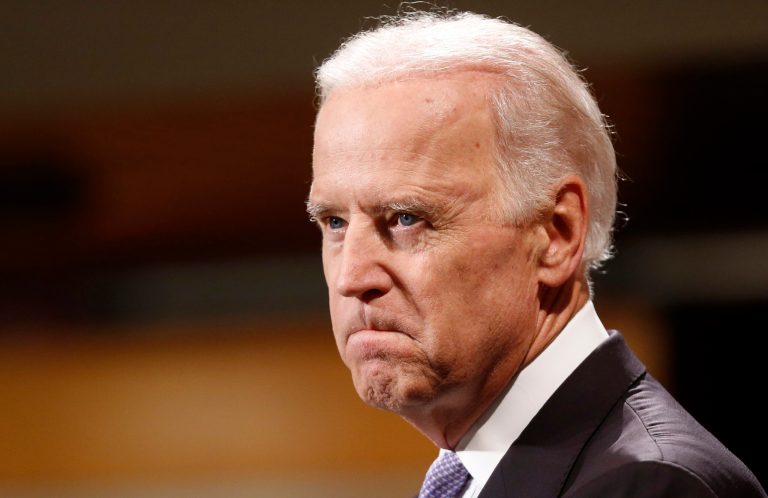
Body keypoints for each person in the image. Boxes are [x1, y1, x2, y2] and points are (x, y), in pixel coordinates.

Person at [305, 8, 765, 498]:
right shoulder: (480, 475)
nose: (351, 278)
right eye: (334, 222)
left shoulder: (650, 485)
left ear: (556, 234)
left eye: (405, 219)